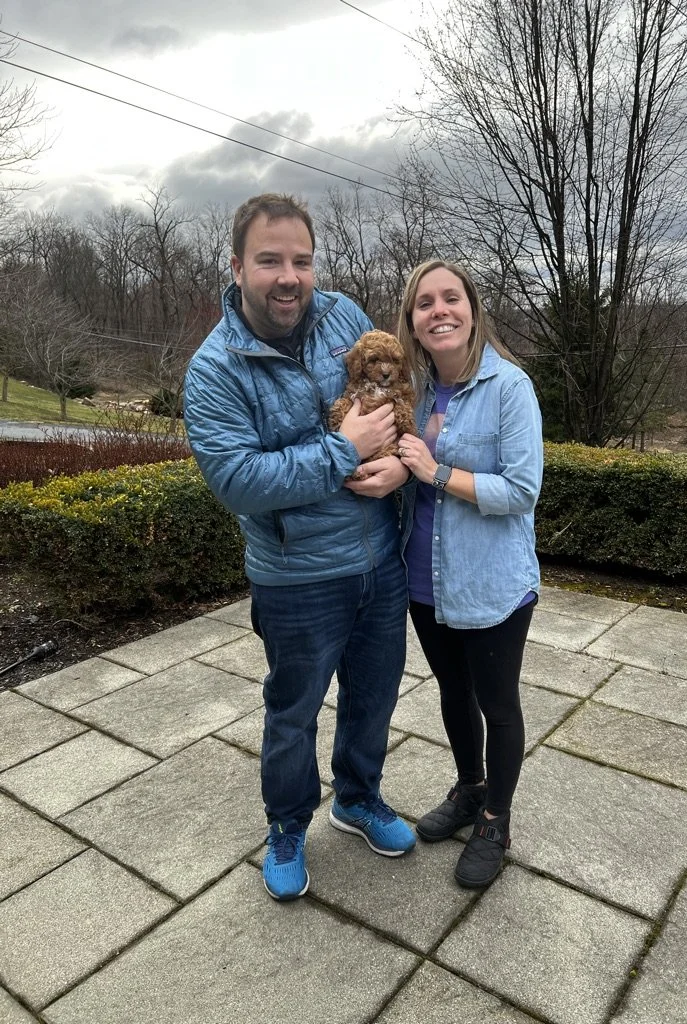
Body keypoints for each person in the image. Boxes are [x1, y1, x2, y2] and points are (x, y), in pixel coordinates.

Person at [184, 194, 415, 903]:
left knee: (373, 697)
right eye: (270, 260)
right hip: (296, 575)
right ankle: (286, 824)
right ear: (236, 267)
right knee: (293, 711)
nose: (289, 276)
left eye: (301, 261)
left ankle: (357, 796)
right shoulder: (215, 368)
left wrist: (404, 460)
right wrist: (342, 449)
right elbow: (239, 481)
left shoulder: (344, 316)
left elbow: (403, 389)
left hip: (381, 558)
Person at [395, 259, 543, 889]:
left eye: (450, 298)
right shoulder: (417, 392)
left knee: (497, 705)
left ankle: (494, 820)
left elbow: (521, 488)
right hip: (425, 580)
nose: (439, 311)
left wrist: (434, 471)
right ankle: (469, 789)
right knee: (453, 696)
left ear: (473, 308)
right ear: (413, 322)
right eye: (424, 303)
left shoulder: (510, 388)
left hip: (491, 585)